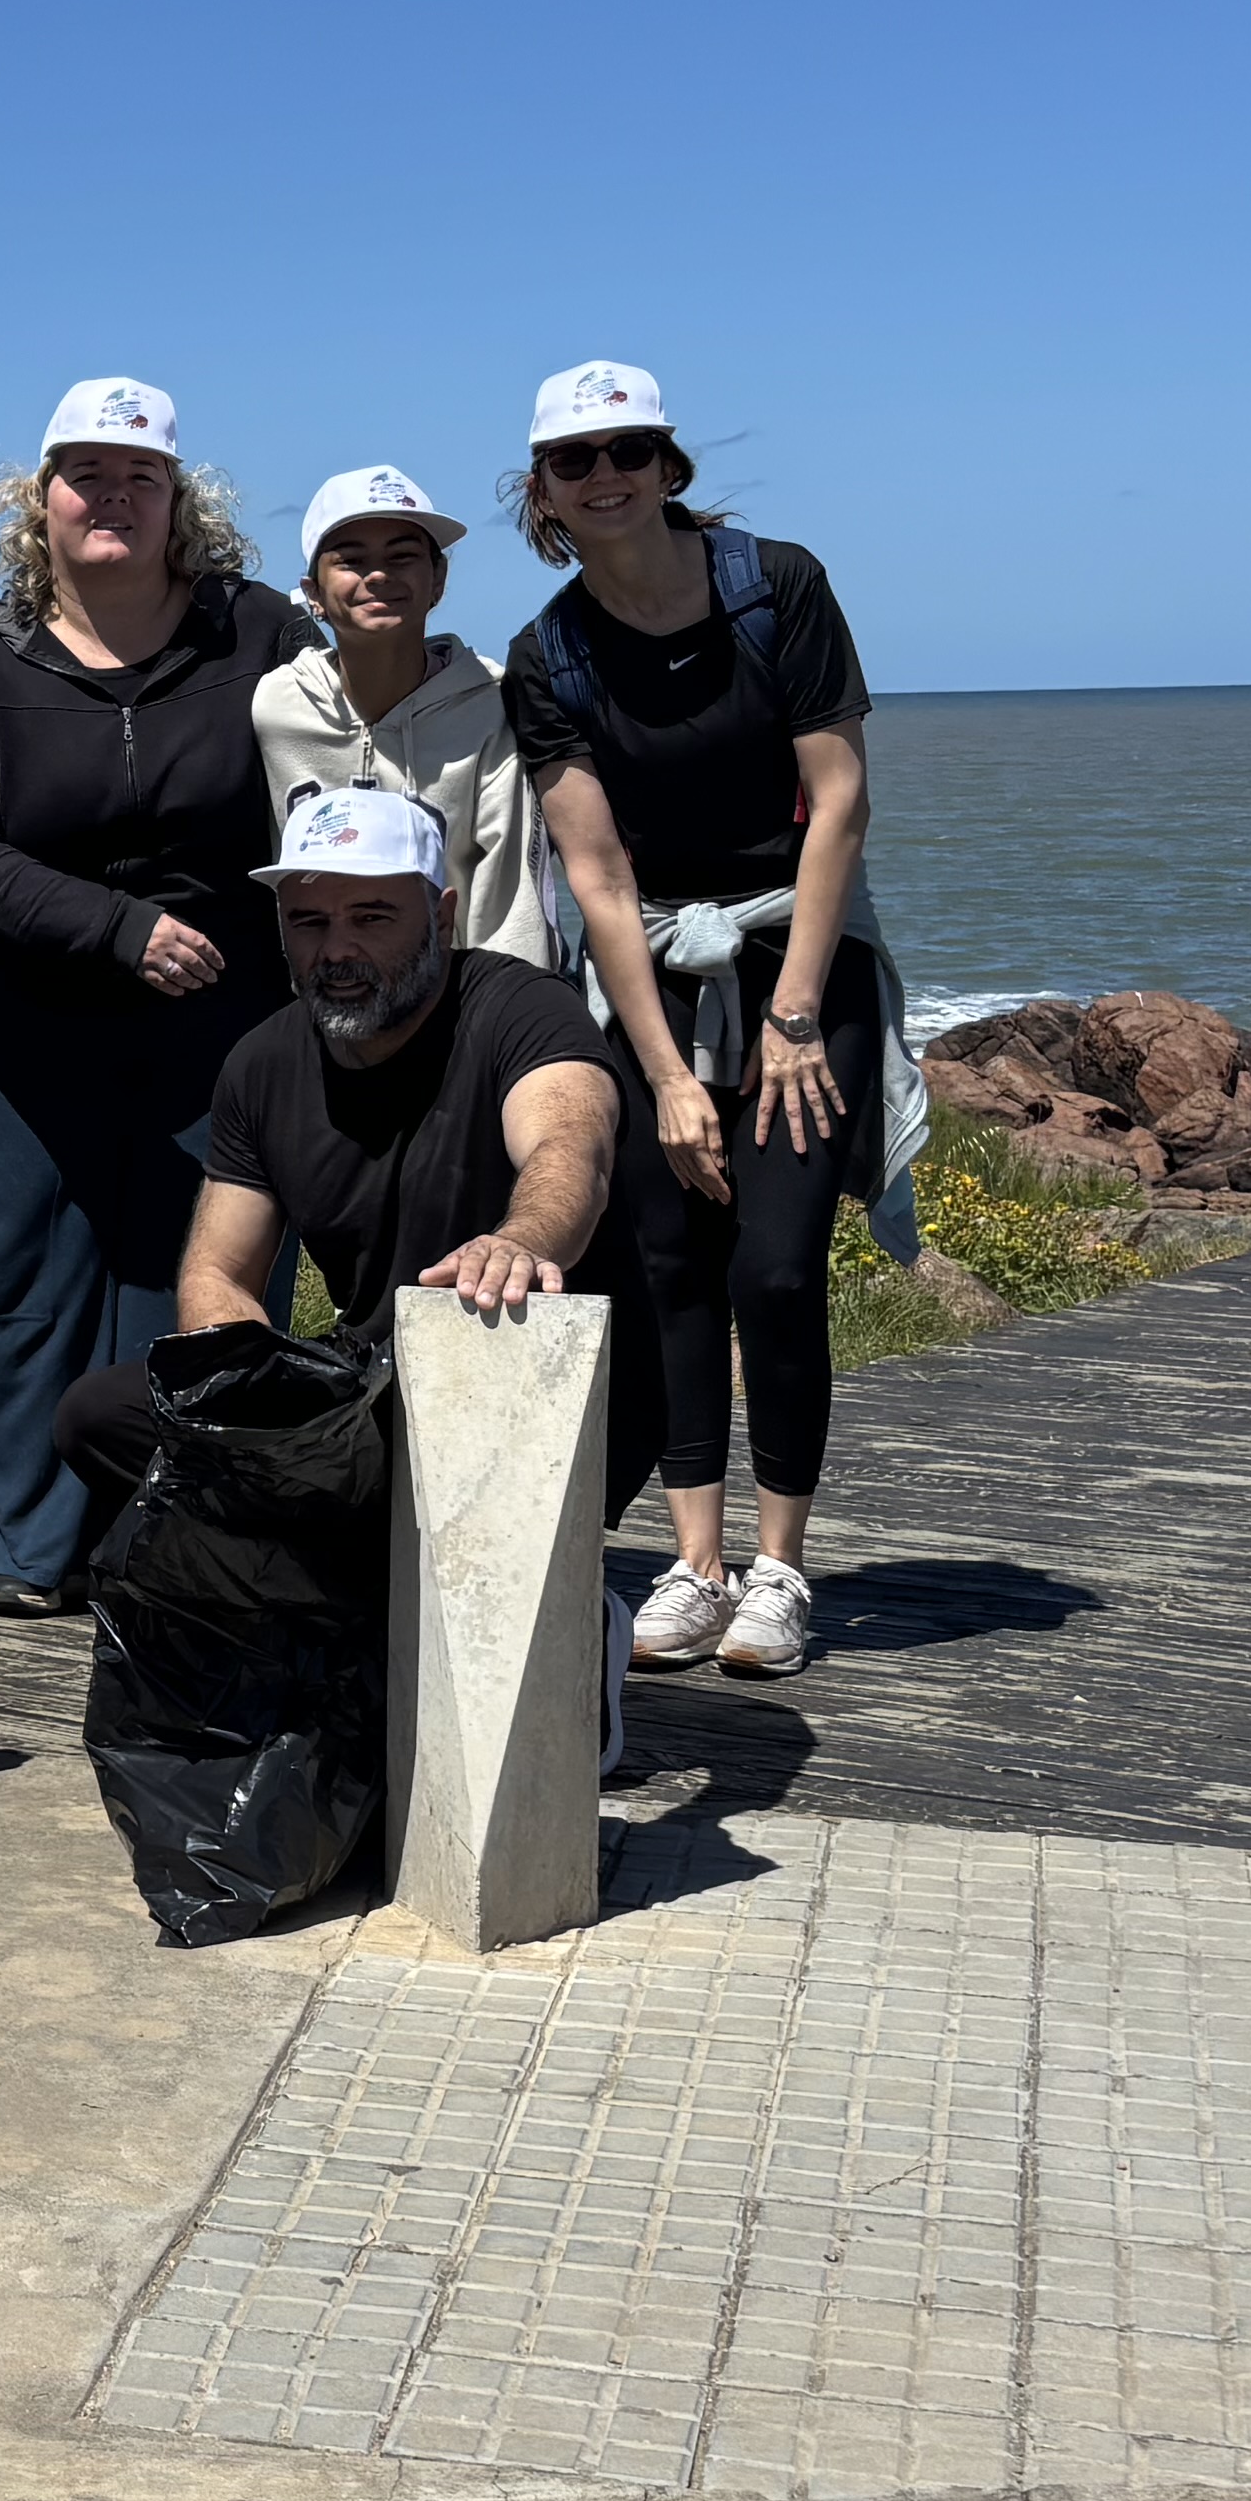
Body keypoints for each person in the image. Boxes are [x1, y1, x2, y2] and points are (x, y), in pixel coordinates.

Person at [494, 358, 882, 1684]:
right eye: (573, 460)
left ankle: (781, 1569)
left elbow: (839, 800)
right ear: (543, 491)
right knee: (669, 1269)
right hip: (652, 972)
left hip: (799, 956)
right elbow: (597, 878)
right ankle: (696, 1564)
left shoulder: (778, 587)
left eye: (627, 450)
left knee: (775, 1270)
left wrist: (792, 1015)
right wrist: (662, 1075)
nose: (603, 475)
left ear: (669, 466)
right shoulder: (547, 655)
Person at [0, 379, 310, 1615]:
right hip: (29, 1021)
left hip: (223, 1022)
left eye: (141, 475)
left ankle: (174, 1541)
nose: (112, 496)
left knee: (200, 1279)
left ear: (181, 499)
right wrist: (115, 930)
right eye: (85, 475)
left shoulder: (261, 634)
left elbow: (335, 783)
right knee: (22, 1283)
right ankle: (32, 1555)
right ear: (41, 501)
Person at [44, 786, 659, 1527]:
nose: (336, 950)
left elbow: (571, 1153)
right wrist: (258, 1406)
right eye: (309, 921)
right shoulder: (262, 1063)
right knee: (102, 1415)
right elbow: (219, 1273)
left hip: (533, 1379)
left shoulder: (523, 1008)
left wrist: (519, 1243)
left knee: (374, 1482)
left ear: (441, 917)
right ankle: (323, 1561)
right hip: (373, 1390)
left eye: (371, 917)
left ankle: (343, 1559)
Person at [250, 463, 550, 967]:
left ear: (438, 579)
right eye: (351, 560)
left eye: (402, 556)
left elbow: (512, 898)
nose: (378, 575)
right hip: (319, 992)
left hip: (458, 996)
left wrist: (508, 1006)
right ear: (313, 593)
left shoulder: (492, 704)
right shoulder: (274, 707)